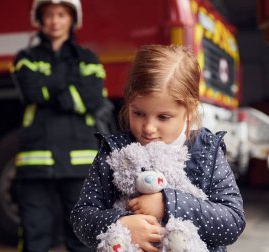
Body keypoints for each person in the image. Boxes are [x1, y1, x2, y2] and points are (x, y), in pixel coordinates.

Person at [70, 44, 246, 252]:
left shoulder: (207, 151)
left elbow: (232, 222)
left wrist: (169, 204)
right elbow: (81, 217)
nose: (148, 128)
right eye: (138, 113)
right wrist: (121, 224)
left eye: (163, 117)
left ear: (189, 110)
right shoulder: (114, 151)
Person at [11, 0, 105, 251]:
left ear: (72, 19)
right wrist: (71, 90)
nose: (55, 20)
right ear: (40, 20)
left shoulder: (88, 58)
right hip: (36, 160)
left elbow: (94, 97)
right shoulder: (26, 58)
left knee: (81, 235)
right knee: (34, 234)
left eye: (61, 14)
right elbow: (32, 91)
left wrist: (49, 87)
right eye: (49, 14)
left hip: (78, 162)